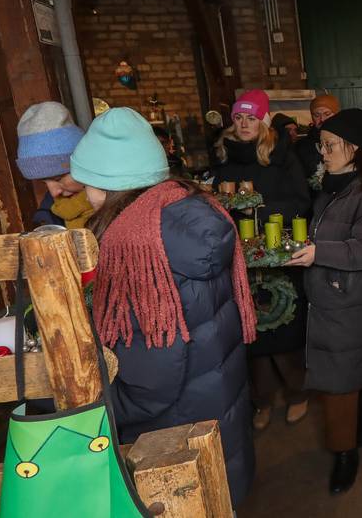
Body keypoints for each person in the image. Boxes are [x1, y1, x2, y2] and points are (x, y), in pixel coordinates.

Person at [71, 107, 258, 506]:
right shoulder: (186, 213)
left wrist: (94, 412)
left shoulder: (138, 249)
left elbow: (149, 382)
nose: (85, 195)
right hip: (215, 422)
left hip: (174, 450)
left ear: (108, 185)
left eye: (88, 183)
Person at [285, 108, 362, 495]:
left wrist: (318, 253)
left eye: (330, 145)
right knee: (356, 371)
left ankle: (344, 453)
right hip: (339, 297)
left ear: (354, 147)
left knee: (338, 384)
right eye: (321, 145)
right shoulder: (336, 186)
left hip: (350, 301)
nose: (323, 152)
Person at [212, 90, 312, 431]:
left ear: (263, 121)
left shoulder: (282, 155)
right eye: (239, 117)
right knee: (250, 331)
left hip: (276, 255)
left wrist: (260, 210)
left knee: (283, 326)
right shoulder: (224, 159)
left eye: (251, 118)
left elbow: (301, 201)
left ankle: (298, 392)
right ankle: (263, 400)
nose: (243, 124)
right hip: (239, 258)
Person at [15, 102, 93, 229]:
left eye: (58, 179)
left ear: (85, 163)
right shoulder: (49, 216)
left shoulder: (124, 203)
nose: (54, 192)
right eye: (44, 183)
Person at [297, 94, 341, 184]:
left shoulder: (347, 141)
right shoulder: (302, 146)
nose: (322, 119)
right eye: (317, 115)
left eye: (327, 114)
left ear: (337, 114)